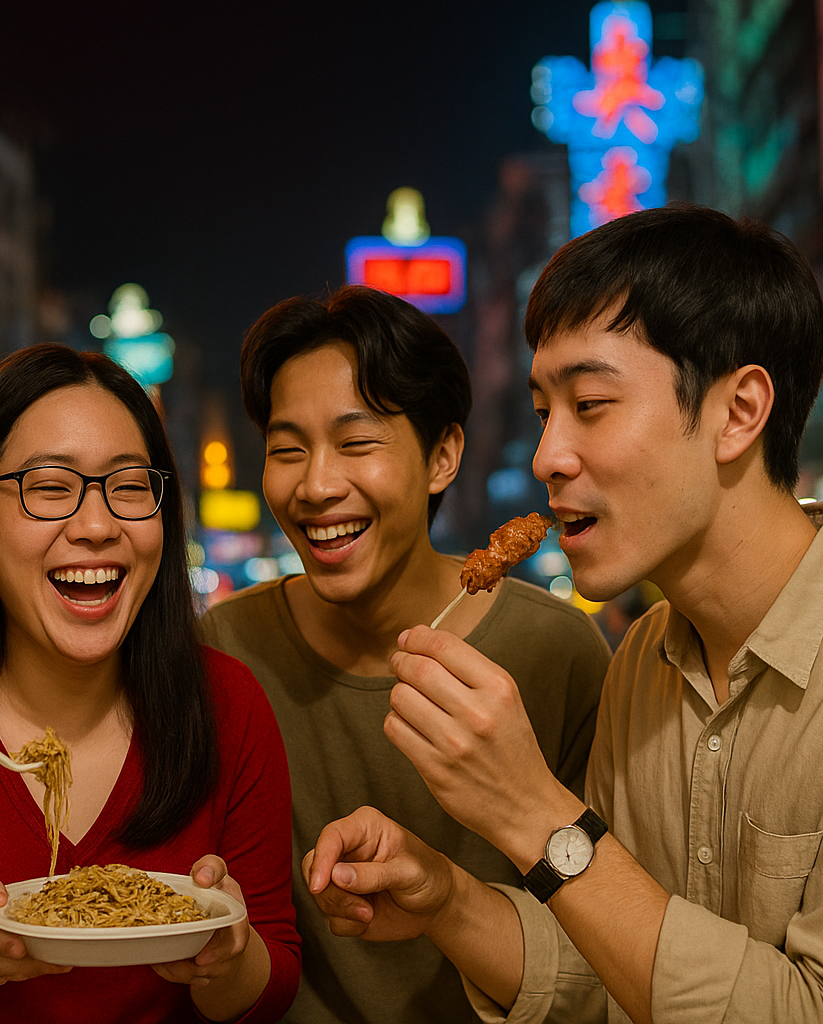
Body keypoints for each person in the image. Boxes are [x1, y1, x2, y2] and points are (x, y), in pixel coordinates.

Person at [304, 205, 823, 1023]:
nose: (548, 456)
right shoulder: (644, 655)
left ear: (739, 412)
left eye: (592, 404)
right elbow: (616, 964)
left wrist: (530, 811)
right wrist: (445, 902)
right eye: (544, 412)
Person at [0, 343, 300, 1024]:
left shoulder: (227, 705)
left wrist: (225, 956)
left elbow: (273, 981)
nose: (97, 526)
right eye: (49, 487)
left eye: (129, 487)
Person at [200, 285, 608, 1024]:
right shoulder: (223, 651)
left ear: (442, 456)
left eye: (356, 443)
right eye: (288, 450)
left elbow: (612, 936)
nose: (317, 485)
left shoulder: (557, 651)